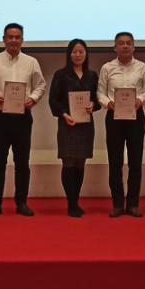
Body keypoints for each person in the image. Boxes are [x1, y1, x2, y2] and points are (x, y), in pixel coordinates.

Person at [0, 22, 46, 217]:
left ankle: (21, 203)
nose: (14, 40)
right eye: (10, 37)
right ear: (4, 39)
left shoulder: (31, 62)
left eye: (17, 37)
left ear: (22, 40)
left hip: (23, 118)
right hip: (0, 117)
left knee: (22, 162)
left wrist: (33, 99)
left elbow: (40, 85)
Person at [97, 31, 145, 217]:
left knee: (135, 162)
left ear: (134, 46)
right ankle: (118, 204)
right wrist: (107, 103)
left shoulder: (142, 67)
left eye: (129, 43)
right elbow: (100, 92)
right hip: (114, 117)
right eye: (121, 43)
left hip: (136, 116)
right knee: (115, 162)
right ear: (115, 47)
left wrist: (141, 100)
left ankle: (133, 204)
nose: (125, 46)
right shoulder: (107, 68)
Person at [48, 38, 100, 217]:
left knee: (80, 164)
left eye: (81, 51)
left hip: (85, 126)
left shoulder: (92, 75)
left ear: (86, 54)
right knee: (68, 163)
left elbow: (98, 99)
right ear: (69, 54)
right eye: (74, 51)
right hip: (67, 124)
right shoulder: (60, 75)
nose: (78, 55)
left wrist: (93, 105)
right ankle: (71, 203)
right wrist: (64, 114)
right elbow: (53, 100)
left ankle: (76, 200)